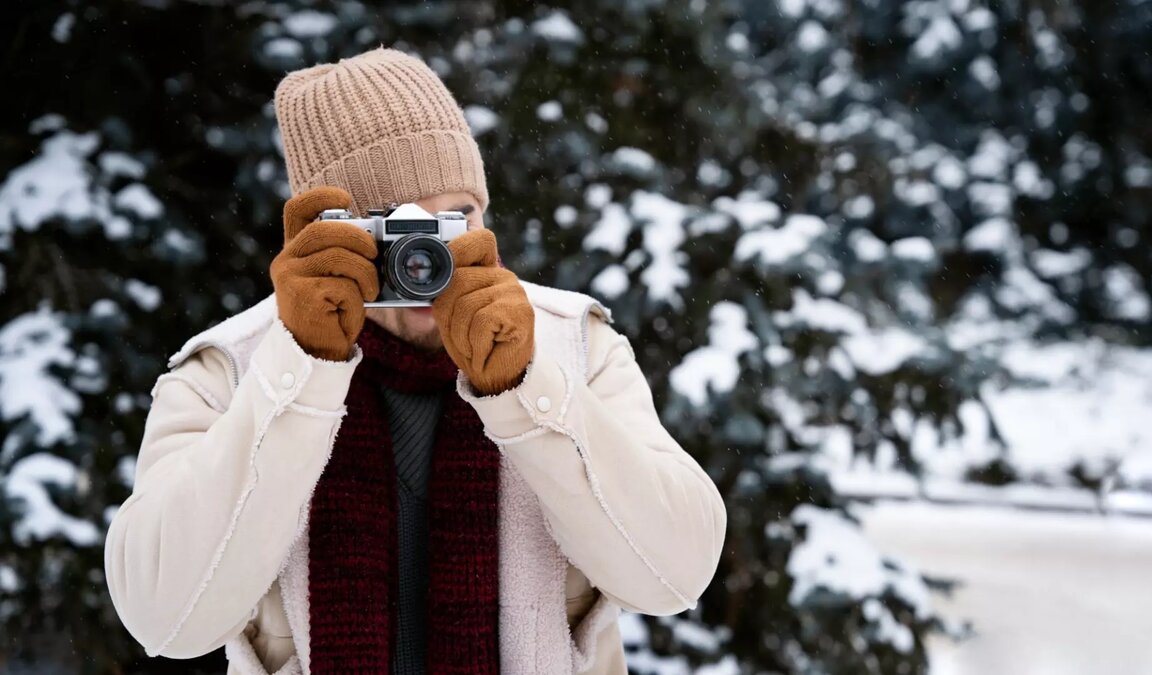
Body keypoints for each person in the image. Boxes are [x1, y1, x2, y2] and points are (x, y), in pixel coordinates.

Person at [104, 47, 726, 675]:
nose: (429, 256)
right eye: (395, 228)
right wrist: (301, 371)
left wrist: (525, 386)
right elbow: (166, 620)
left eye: (456, 218)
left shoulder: (571, 345)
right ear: (331, 233)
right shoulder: (232, 369)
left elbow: (675, 578)